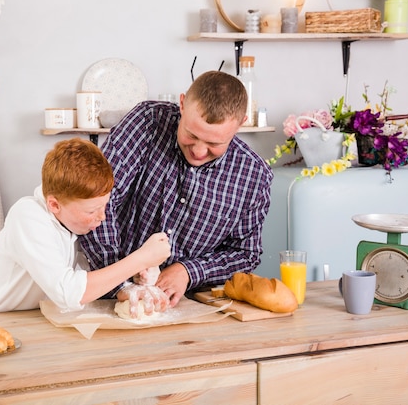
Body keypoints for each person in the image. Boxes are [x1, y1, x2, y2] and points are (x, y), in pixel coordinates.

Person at [79, 70, 273, 309]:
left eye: (214, 143)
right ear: (182, 104)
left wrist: (188, 271)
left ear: (241, 124)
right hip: (104, 297)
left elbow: (245, 254)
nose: (199, 151)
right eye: (191, 135)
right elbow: (97, 202)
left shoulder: (254, 175)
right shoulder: (146, 123)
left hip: (190, 308)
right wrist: (122, 283)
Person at [0, 138, 171, 315]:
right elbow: (69, 292)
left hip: (34, 322)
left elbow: (93, 279)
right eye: (92, 211)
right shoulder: (27, 216)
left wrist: (134, 278)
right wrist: (141, 258)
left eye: (105, 206)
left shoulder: (74, 224)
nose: (102, 217)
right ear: (54, 205)